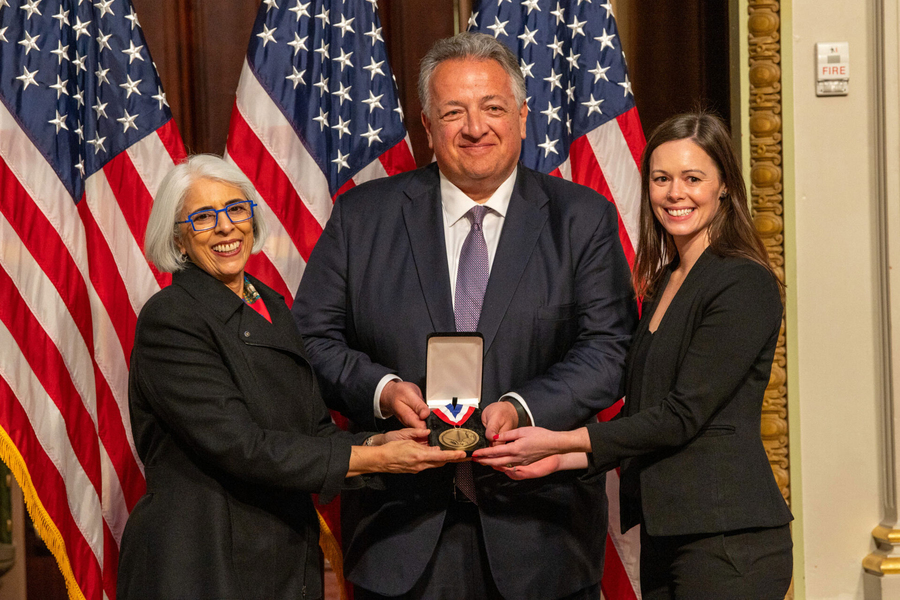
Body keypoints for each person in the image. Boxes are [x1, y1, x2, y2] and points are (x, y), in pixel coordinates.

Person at [292, 33, 636, 600]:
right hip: (398, 533)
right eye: (454, 112)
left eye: (493, 108)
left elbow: (609, 349)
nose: (475, 128)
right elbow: (311, 337)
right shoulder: (363, 216)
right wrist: (380, 390)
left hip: (542, 534)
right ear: (428, 126)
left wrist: (522, 408)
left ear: (524, 117)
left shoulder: (581, 220)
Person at [474, 112, 794, 599]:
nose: (675, 193)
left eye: (693, 178)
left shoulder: (742, 281)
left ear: (724, 184)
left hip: (729, 539)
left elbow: (681, 415)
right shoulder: (668, 280)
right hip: (668, 531)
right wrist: (559, 461)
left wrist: (561, 441)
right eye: (661, 179)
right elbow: (645, 409)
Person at [117, 155, 465, 600]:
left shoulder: (270, 305)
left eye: (236, 209)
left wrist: (379, 443)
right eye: (204, 217)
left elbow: (312, 429)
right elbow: (242, 446)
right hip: (203, 563)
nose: (226, 227)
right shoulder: (171, 319)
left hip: (280, 554)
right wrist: (372, 459)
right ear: (178, 239)